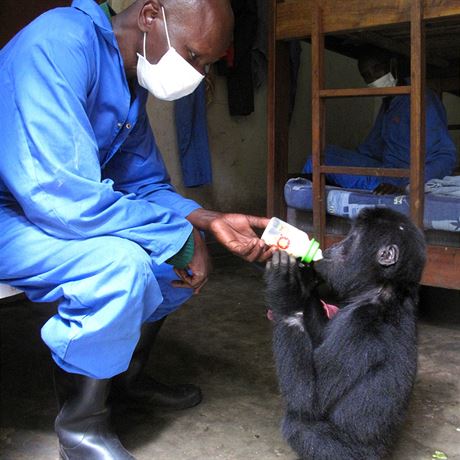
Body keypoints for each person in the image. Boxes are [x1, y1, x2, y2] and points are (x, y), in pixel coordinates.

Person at [0, 1, 273, 458]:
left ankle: (120, 381)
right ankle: (82, 426)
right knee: (121, 265)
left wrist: (205, 221)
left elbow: (143, 183)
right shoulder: (60, 41)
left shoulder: (128, 83)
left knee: (175, 261)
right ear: (150, 16)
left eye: (206, 64)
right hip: (15, 211)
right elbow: (61, 194)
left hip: (50, 209)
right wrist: (175, 236)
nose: (198, 74)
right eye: (194, 56)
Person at [303, 50, 458, 194]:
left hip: (404, 177)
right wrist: (346, 164)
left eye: (377, 69)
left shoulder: (422, 98)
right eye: (367, 76)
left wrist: (410, 186)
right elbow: (371, 148)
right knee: (320, 156)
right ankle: (307, 198)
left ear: (393, 65)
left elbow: (445, 155)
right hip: (383, 170)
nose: (374, 79)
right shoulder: (388, 104)